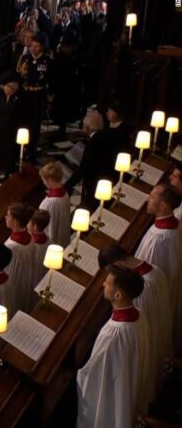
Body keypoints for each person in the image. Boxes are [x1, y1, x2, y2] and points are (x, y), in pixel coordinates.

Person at [76, 266, 150, 428]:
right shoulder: (140, 315)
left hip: (113, 393)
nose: (103, 284)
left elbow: (96, 374)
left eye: (107, 284)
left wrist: (80, 375)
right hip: (128, 384)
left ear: (118, 295)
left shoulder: (114, 333)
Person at [98, 245, 172, 399]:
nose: (105, 282)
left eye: (110, 274)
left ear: (117, 265)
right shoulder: (155, 270)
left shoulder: (142, 291)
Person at [134, 183, 182, 352]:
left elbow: (148, 278)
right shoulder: (170, 224)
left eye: (153, 197)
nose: (148, 198)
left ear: (163, 206)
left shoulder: (161, 238)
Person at [16, 34, 51, 161]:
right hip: (25, 96)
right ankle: (21, 149)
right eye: (32, 46)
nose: (34, 49)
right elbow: (19, 78)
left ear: (42, 47)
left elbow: (50, 80)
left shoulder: (47, 61)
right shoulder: (24, 58)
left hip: (38, 97)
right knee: (23, 124)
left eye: (36, 46)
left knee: (35, 126)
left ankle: (31, 151)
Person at [4, 203, 36, 314]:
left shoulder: (13, 246)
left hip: (14, 281)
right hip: (25, 277)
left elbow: (8, 269)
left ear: (15, 222)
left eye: (8, 216)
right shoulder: (30, 236)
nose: (6, 217)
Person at [38, 161, 70, 246]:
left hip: (52, 241)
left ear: (50, 180)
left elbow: (46, 226)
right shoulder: (64, 193)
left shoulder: (49, 203)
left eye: (43, 180)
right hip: (63, 236)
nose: (43, 183)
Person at [29, 209, 51, 285]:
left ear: (35, 227)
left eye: (29, 222)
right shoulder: (48, 239)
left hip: (33, 277)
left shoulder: (33, 245)